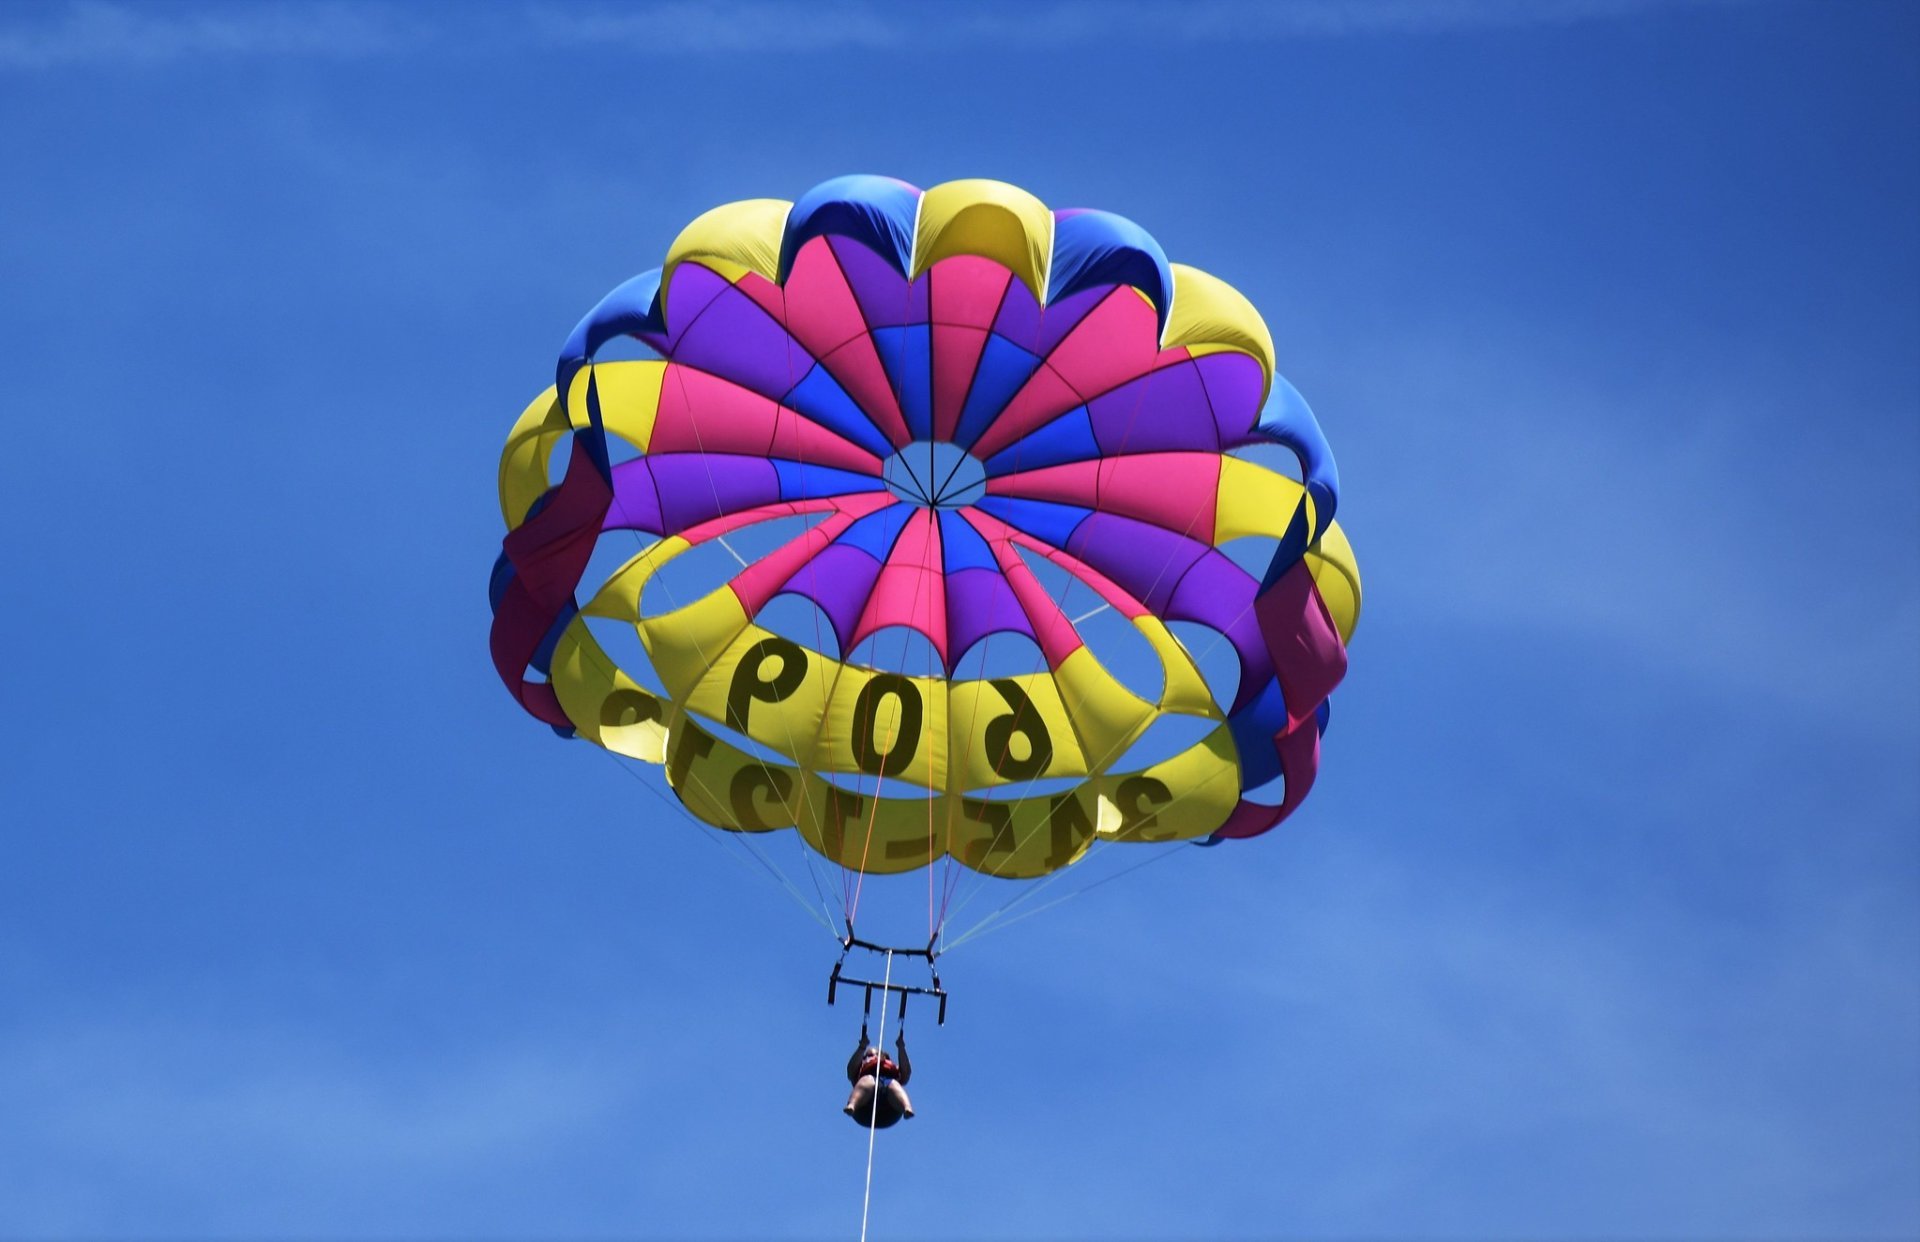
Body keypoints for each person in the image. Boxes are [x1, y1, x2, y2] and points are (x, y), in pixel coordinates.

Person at [843, 1028, 913, 1128]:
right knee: (867, 1080)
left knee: (893, 1084)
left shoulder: (892, 1068)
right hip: (864, 1108)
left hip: (890, 1108)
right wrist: (862, 1047)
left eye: (874, 1055)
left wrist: (901, 1048)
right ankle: (852, 1105)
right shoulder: (861, 1068)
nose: (871, 1057)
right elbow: (850, 1070)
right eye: (867, 1056)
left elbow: (906, 1073)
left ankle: (906, 1107)